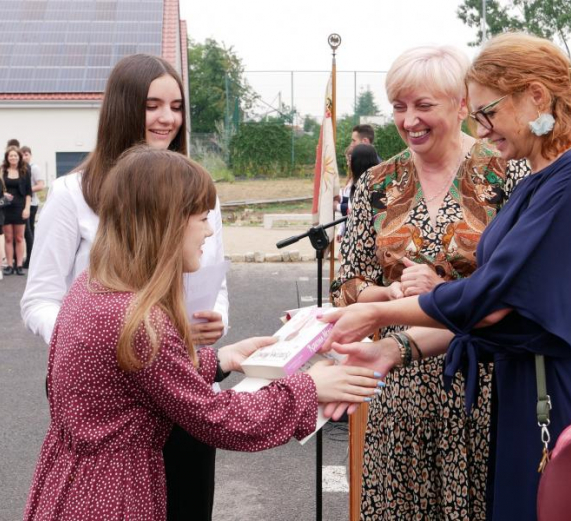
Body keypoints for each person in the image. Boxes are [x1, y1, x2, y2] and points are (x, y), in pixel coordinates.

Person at [321, 33, 571, 521]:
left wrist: (381, 311)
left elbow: (491, 301)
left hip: (562, 393)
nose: (483, 127)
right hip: (525, 386)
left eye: (488, 112)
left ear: (535, 96)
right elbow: (490, 312)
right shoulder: (546, 175)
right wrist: (392, 348)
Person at [22, 146, 382, 521]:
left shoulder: (92, 287)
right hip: (115, 496)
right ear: (166, 222)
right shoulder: (139, 321)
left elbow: (136, 377)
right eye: (201, 217)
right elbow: (217, 418)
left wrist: (221, 360)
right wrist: (308, 387)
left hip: (70, 484)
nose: (210, 231)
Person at [20, 54, 228, 521]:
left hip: (185, 376)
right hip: (116, 402)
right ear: (122, 109)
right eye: (152, 105)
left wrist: (217, 322)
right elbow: (39, 299)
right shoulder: (72, 194)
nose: (167, 118)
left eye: (176, 106)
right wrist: (108, 349)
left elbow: (216, 279)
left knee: (187, 504)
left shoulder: (194, 190)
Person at [330, 45, 529, 520]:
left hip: (483, 383)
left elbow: (521, 283)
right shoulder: (377, 182)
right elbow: (348, 285)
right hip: (395, 387)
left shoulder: (509, 173)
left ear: (461, 105)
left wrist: (442, 287)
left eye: (423, 105)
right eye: (399, 106)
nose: (408, 120)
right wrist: (388, 294)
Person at [0, 146, 31, 276]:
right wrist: (3, 193)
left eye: (15, 155)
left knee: (19, 238)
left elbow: (29, 192)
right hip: (5, 207)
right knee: (8, 238)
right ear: (7, 158)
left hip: (20, 207)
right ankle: (9, 265)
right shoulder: (2, 171)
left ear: (19, 157)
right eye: (10, 156)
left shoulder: (25, 171)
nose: (13, 158)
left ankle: (19, 265)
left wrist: (27, 208)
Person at [21, 146, 45, 269]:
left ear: (30, 155)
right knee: (23, 234)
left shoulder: (34, 168)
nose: (24, 157)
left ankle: (31, 260)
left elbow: (41, 185)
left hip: (32, 204)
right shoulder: (19, 168)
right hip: (21, 204)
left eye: (26, 154)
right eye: (22, 155)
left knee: (29, 232)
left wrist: (25, 191)